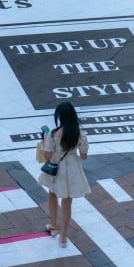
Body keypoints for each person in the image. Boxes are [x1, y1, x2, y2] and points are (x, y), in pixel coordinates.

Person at [37, 101, 89, 248]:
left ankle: (53, 225)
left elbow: (47, 156)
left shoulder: (53, 134)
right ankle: (64, 236)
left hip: (56, 168)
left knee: (52, 194)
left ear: (60, 116)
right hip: (72, 169)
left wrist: (44, 141)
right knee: (67, 203)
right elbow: (84, 155)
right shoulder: (80, 133)